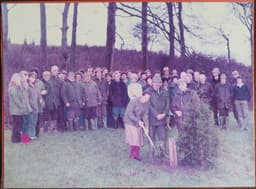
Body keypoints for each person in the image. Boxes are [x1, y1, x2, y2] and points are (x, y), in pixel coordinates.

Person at [147, 74, 170, 159]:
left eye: (159, 83)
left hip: (162, 119)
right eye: (155, 82)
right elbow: (149, 105)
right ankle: (152, 152)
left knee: (162, 137)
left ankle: (163, 152)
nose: (157, 84)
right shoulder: (148, 91)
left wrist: (164, 113)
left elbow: (168, 104)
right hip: (152, 119)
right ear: (152, 83)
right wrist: (156, 115)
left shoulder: (165, 91)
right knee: (151, 136)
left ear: (161, 83)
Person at [124, 91, 150, 161]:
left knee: (138, 139)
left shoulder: (146, 103)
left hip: (138, 122)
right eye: (146, 98)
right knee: (134, 139)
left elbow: (145, 115)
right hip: (130, 121)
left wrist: (147, 126)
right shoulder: (134, 101)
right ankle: (132, 154)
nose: (147, 100)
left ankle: (137, 155)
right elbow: (129, 113)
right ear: (142, 95)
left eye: (148, 99)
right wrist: (138, 121)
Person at [8, 73, 31, 143]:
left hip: (19, 111)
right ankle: (14, 140)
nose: (19, 81)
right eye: (18, 79)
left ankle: (18, 139)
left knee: (18, 125)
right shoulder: (12, 88)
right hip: (16, 111)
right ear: (14, 80)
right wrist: (22, 107)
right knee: (16, 125)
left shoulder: (18, 88)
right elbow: (16, 100)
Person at [27, 72, 42, 139]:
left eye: (34, 77)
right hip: (30, 108)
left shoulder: (35, 86)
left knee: (34, 122)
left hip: (36, 107)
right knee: (30, 122)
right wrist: (29, 107)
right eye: (32, 77)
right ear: (28, 78)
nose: (33, 79)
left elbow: (38, 96)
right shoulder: (27, 87)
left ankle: (32, 135)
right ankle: (28, 136)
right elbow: (26, 98)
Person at [48, 65, 63, 132]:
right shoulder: (49, 79)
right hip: (50, 101)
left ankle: (56, 128)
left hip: (58, 100)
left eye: (57, 70)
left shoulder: (60, 80)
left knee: (57, 115)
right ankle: (50, 128)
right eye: (54, 70)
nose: (55, 72)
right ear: (51, 71)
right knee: (50, 115)